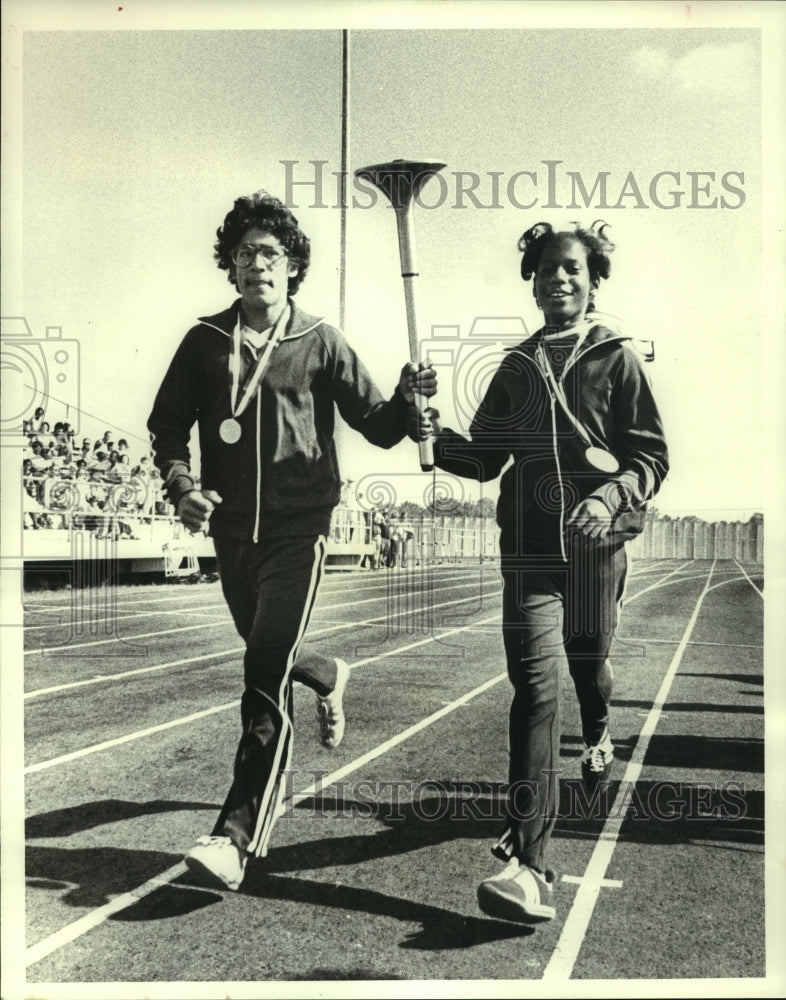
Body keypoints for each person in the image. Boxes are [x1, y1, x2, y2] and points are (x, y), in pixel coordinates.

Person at [147, 190, 435, 892]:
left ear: (292, 265)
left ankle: (235, 835)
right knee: (267, 656)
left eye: (270, 254)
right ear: (230, 266)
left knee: (260, 677)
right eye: (243, 254)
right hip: (229, 534)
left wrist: (408, 395)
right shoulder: (204, 343)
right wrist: (183, 485)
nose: (256, 266)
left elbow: (382, 425)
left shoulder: (320, 342)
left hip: (297, 533)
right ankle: (328, 673)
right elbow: (166, 428)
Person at [427, 220, 668, 925]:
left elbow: (651, 457)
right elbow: (482, 460)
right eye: (546, 270)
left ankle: (599, 726)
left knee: (588, 664)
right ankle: (529, 863)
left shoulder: (617, 358)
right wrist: (431, 431)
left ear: (593, 281)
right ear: (531, 281)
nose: (559, 279)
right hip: (529, 553)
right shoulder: (517, 368)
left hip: (597, 551)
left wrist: (610, 495)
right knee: (534, 694)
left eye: (572, 269)